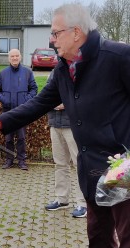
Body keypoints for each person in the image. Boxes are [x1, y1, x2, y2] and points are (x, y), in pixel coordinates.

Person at [0, 4, 130, 248]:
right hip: (90, 171)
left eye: (55, 33)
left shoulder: (119, 56)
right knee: (98, 244)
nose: (51, 40)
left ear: (76, 33)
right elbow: (39, 103)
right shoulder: (64, 68)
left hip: (126, 170)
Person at [43, 73, 87, 218]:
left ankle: (83, 203)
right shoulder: (54, 73)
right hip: (55, 124)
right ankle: (62, 199)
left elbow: (84, 96)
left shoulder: (78, 72)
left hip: (73, 126)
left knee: (79, 165)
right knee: (60, 164)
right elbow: (45, 94)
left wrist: (66, 103)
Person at [0, 48, 37, 170]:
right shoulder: (2, 73)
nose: (14, 58)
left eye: (17, 56)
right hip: (7, 111)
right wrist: (4, 99)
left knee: (22, 138)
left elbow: (34, 89)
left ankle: (22, 161)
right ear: (9, 58)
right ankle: (9, 160)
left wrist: (26, 99)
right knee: (8, 138)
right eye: (12, 56)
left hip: (22, 111)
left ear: (20, 57)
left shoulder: (27, 72)